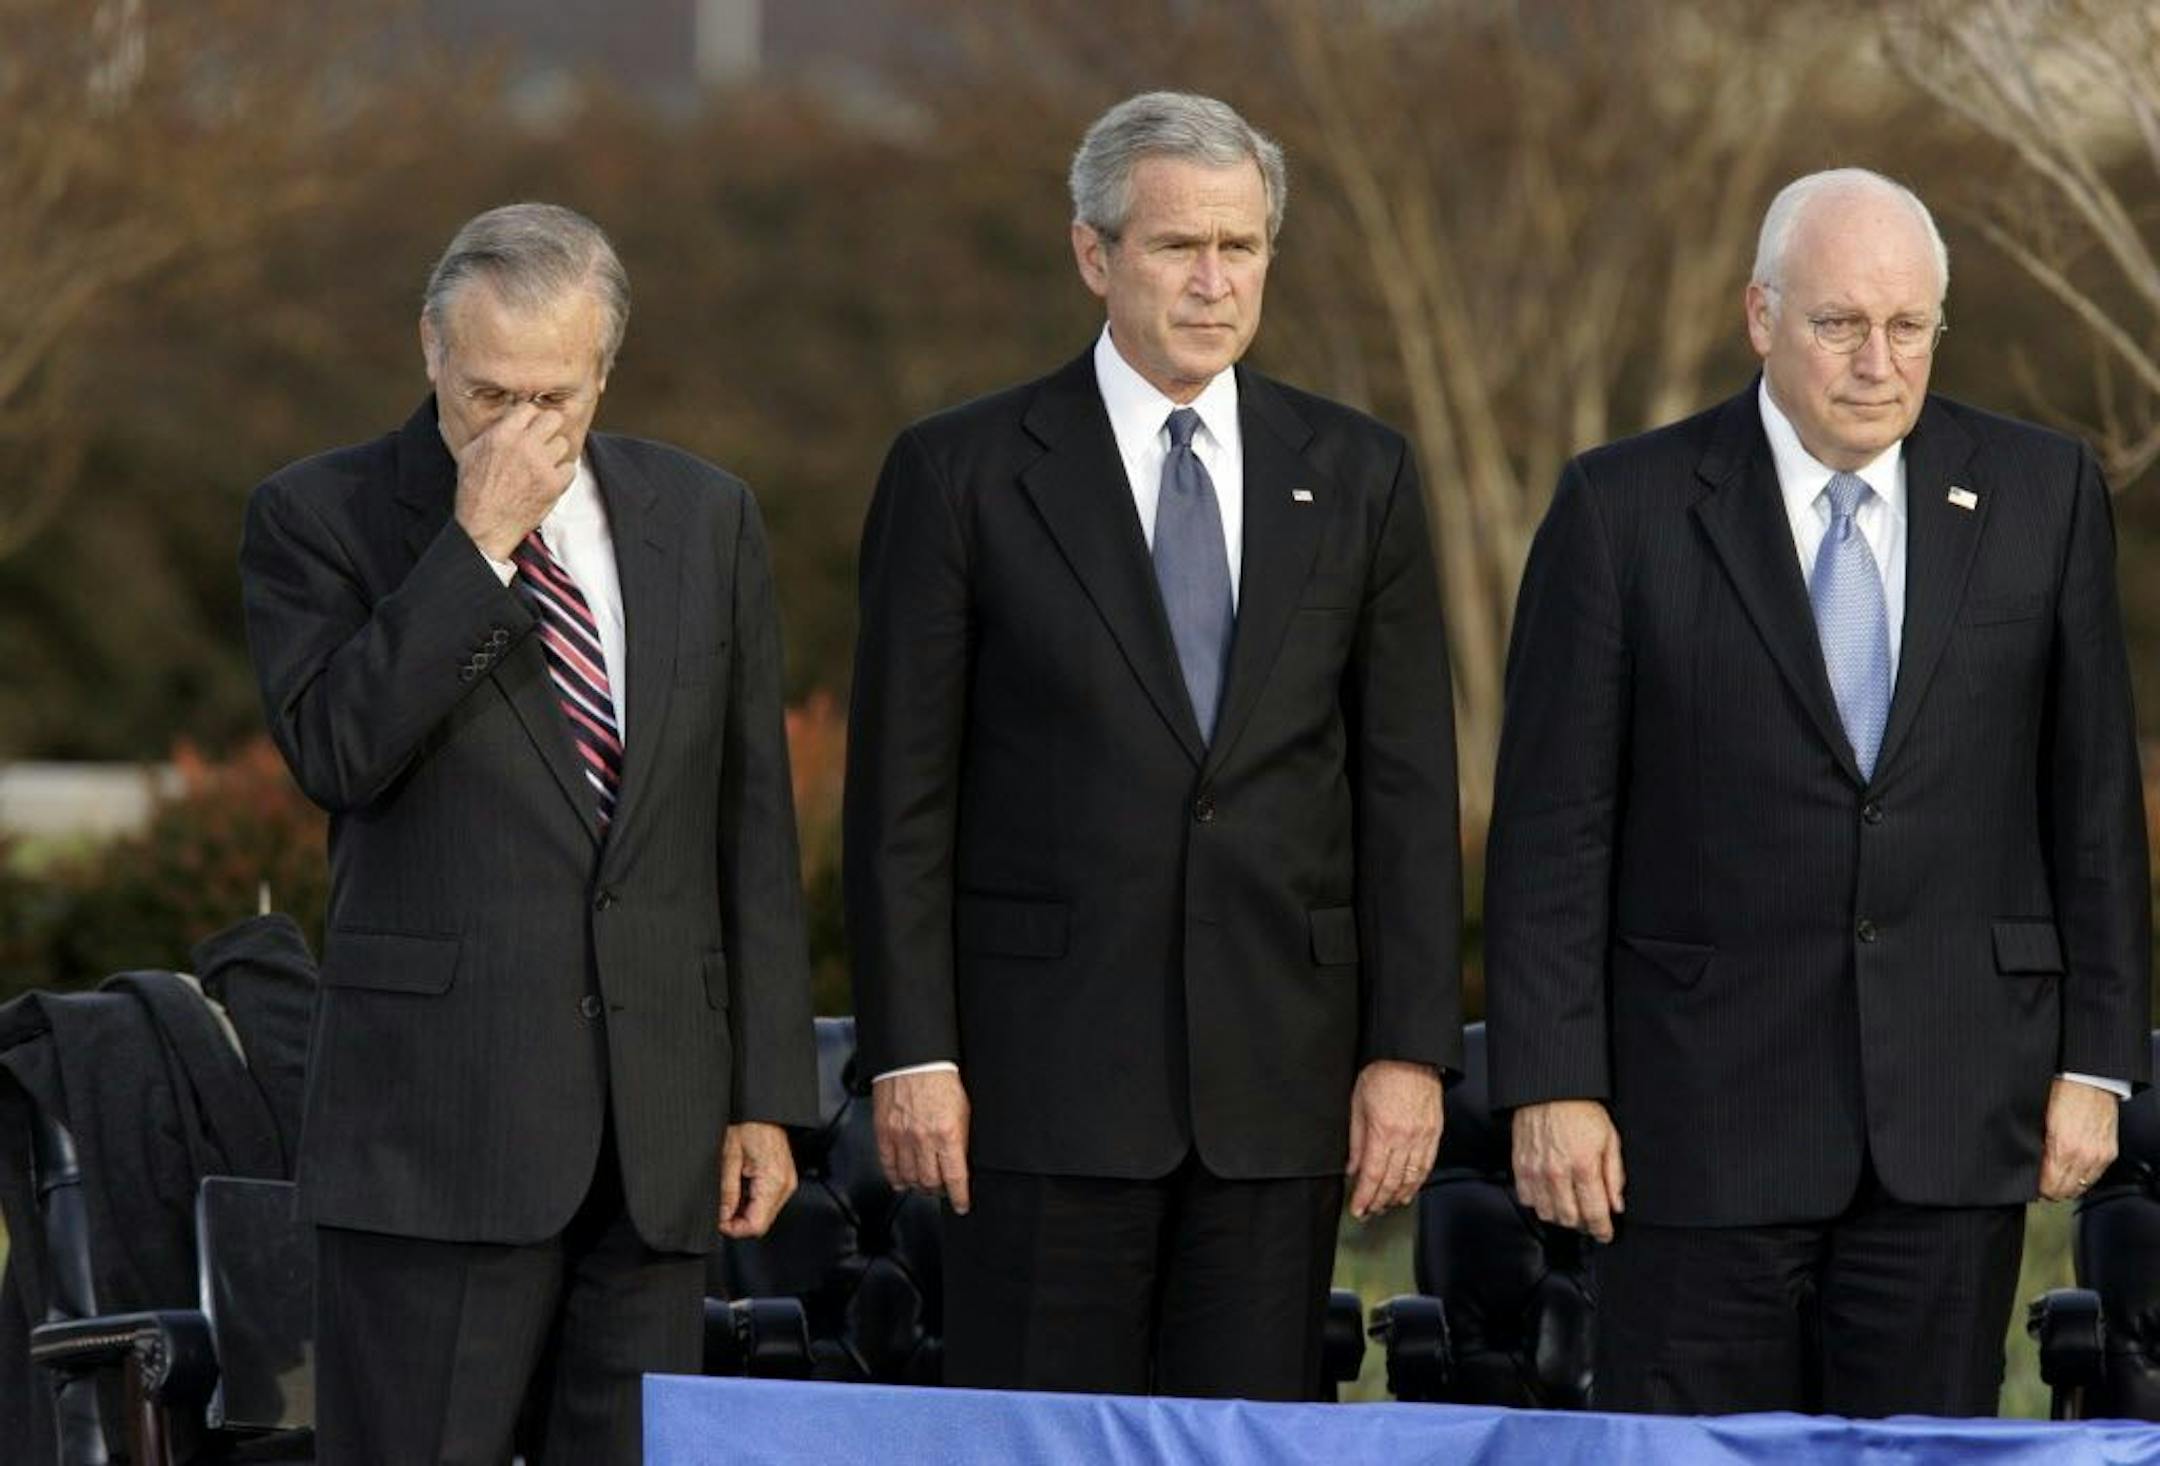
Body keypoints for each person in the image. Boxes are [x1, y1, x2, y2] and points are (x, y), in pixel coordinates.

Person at [1485, 168, 2150, 1417]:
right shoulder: (1621, 509)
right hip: (1693, 1123)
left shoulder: (2042, 494)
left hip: (1953, 1118)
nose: (1877, 361)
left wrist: (2098, 1062)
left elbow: (2094, 804)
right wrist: (1553, 1080)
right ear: (1760, 316)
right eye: (1840, 323)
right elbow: (1551, 828)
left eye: (1908, 327)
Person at [843, 91, 1462, 1400]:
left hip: (1276, 1093)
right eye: (1180, 246)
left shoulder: (1360, 473)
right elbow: (900, 796)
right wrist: (913, 1049)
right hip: (1034, 1090)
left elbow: (1405, 789)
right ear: (1093, 254)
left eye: (1242, 248)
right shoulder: (960, 474)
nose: (1214, 281)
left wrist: (1408, 1049)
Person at [240, 203, 817, 1463]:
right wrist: (478, 541)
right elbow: (338, 749)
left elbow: (748, 820)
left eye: (553, 396)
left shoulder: (706, 514)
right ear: (430, 356)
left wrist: (765, 1095)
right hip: (436, 1138)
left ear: (606, 370)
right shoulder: (319, 515)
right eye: (486, 390)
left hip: (653, 1143)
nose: (517, 427)